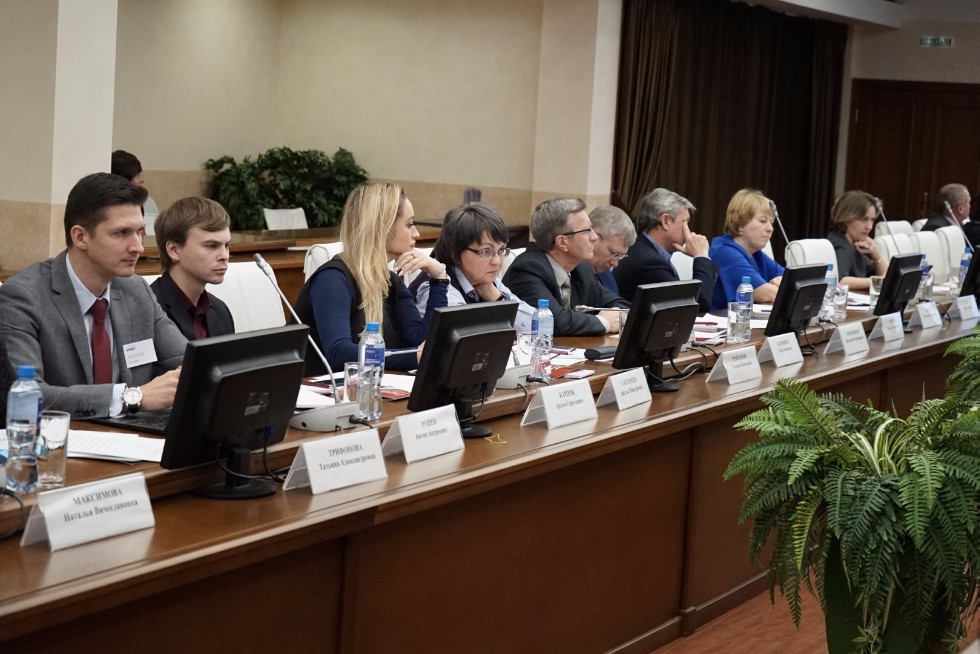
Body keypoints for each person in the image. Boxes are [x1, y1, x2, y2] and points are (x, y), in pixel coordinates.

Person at [0, 173, 185, 420]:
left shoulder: (136, 290)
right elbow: (29, 395)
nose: (138, 247)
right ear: (80, 237)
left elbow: (189, 361)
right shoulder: (23, 297)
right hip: (61, 447)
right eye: (121, 233)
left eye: (139, 232)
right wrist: (131, 397)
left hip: (136, 446)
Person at [294, 182, 449, 375]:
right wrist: (413, 357)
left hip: (369, 391)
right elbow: (338, 353)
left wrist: (438, 279)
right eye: (409, 224)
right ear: (382, 227)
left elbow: (419, 341)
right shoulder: (332, 280)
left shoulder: (390, 281)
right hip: (317, 397)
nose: (416, 233)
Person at [502, 198, 629, 336]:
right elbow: (554, 322)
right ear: (562, 242)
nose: (594, 237)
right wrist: (604, 322)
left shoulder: (582, 269)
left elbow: (619, 303)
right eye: (587, 230)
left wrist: (618, 315)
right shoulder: (527, 269)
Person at [411, 202, 534, 332]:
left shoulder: (485, 280)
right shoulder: (437, 287)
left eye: (501, 250)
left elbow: (539, 326)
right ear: (456, 252)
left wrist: (497, 298)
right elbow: (469, 339)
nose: (497, 261)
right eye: (486, 251)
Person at [614, 188, 718, 311]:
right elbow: (698, 304)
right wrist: (701, 256)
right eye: (685, 222)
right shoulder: (649, 261)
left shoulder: (643, 249)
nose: (688, 232)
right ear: (666, 221)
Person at [150, 197, 235, 340]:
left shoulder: (221, 311)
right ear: (174, 250)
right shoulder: (148, 310)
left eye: (226, 245)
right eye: (211, 246)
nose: (224, 256)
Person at [708, 189, 784, 312]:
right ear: (740, 224)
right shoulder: (724, 252)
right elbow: (769, 295)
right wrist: (773, 286)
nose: (770, 229)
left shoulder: (756, 254)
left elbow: (792, 283)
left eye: (771, 222)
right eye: (763, 221)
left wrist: (778, 285)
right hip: (723, 327)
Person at [826, 190, 886, 291]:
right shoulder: (841, 245)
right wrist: (875, 281)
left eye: (872, 220)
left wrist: (876, 256)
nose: (870, 227)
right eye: (864, 219)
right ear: (846, 218)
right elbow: (840, 280)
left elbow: (885, 275)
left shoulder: (855, 244)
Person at [587, 205, 636, 295]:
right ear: (593, 237)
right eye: (614, 253)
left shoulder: (606, 275)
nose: (615, 264)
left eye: (620, 256)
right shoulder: (565, 275)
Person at [922, 183, 979, 247]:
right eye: (968, 203)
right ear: (960, 209)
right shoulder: (936, 229)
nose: (970, 206)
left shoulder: (958, 224)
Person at [111, 149, 160, 217]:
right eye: (137, 176)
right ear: (124, 180)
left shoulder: (146, 202)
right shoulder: (111, 207)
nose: (142, 180)